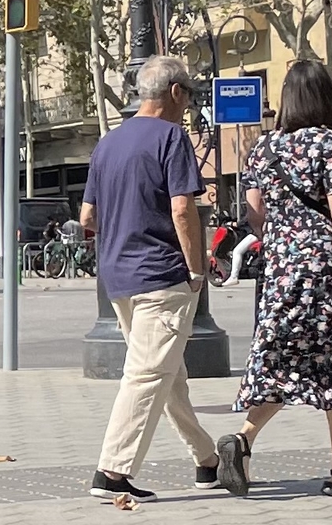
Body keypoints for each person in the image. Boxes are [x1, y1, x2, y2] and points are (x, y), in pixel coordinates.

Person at [223, 57, 332, 497]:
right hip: (326, 270)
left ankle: (243, 439)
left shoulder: (262, 148)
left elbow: (254, 215)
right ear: (325, 97)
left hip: (279, 270)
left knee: (281, 361)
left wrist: (283, 237)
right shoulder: (331, 146)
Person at [78, 54, 224, 501]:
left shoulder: (108, 144)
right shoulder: (171, 138)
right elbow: (183, 209)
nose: (190, 104)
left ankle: (207, 460)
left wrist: (123, 233)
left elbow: (87, 216)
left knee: (167, 375)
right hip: (161, 275)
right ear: (176, 92)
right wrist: (196, 268)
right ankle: (112, 473)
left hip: (118, 277)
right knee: (146, 375)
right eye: (190, 95)